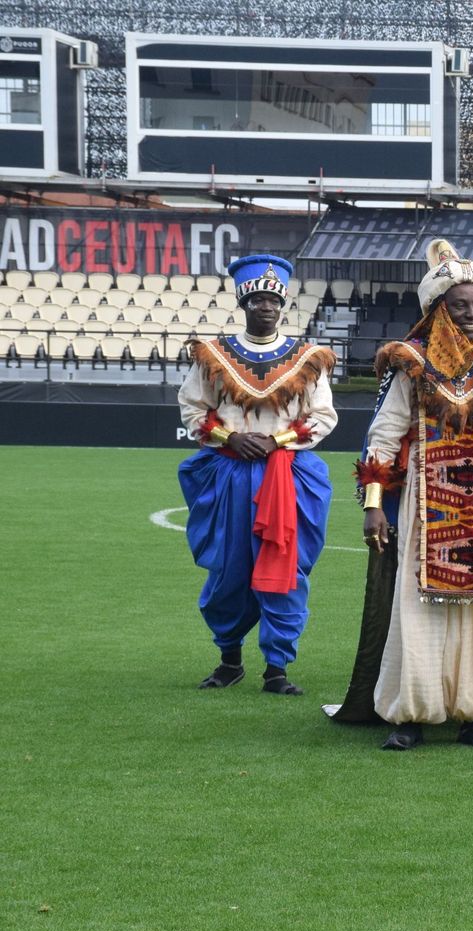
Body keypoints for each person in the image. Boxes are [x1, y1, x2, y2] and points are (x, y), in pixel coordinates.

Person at [332, 239, 473, 750]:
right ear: (438, 309)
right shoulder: (411, 364)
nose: (471, 314)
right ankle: (411, 716)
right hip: (427, 506)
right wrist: (373, 506)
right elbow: (384, 436)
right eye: (460, 305)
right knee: (419, 612)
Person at [177, 253, 337, 696]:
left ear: (282, 305)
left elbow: (323, 416)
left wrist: (277, 441)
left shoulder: (308, 358)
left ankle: (276, 668)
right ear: (244, 303)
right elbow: (192, 408)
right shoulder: (213, 356)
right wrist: (229, 437)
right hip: (231, 472)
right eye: (258, 299)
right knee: (229, 567)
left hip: (288, 474)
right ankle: (229, 660)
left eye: (273, 300)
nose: (266, 306)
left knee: (285, 568)